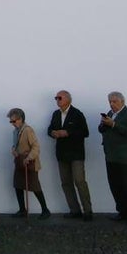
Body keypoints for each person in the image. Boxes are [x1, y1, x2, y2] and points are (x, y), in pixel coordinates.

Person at [48, 89, 92, 221]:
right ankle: (74, 210)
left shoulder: (77, 114)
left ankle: (88, 211)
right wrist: (53, 133)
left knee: (79, 181)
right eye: (56, 98)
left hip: (76, 154)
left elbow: (85, 132)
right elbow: (49, 129)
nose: (57, 100)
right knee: (66, 183)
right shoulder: (56, 114)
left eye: (59, 98)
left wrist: (67, 133)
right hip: (61, 154)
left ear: (68, 99)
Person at [99, 91, 127, 225]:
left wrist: (114, 125)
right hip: (111, 157)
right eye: (110, 101)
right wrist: (104, 124)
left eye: (114, 101)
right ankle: (122, 212)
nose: (112, 104)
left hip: (125, 158)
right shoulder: (110, 114)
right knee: (115, 186)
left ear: (122, 101)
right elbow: (102, 130)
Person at [8, 108, 50, 219]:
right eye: (11, 121)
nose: (12, 123)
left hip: (29, 163)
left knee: (35, 186)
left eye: (14, 121)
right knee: (18, 185)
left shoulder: (28, 130)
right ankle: (22, 210)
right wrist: (13, 149)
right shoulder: (15, 131)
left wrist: (29, 157)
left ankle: (45, 210)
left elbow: (36, 147)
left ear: (20, 119)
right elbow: (16, 144)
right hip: (19, 162)